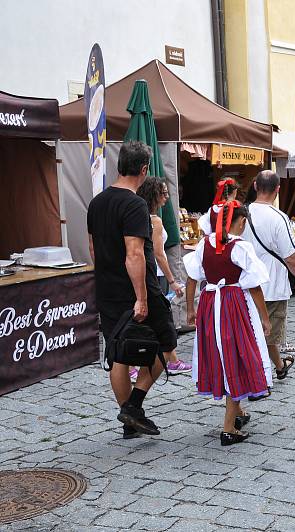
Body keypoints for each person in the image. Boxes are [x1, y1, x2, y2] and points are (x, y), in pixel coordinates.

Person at [87, 140, 177, 439]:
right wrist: (141, 297)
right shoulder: (135, 204)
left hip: (107, 289)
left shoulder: (97, 202)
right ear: (143, 169)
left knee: (118, 355)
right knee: (166, 347)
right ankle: (134, 407)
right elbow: (135, 253)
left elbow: (93, 249)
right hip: (136, 290)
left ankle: (129, 423)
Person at [184, 201, 272, 446]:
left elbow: (192, 277)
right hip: (233, 303)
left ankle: (239, 412)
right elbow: (254, 285)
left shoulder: (203, 244)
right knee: (237, 357)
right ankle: (228, 428)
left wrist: (190, 309)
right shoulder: (241, 247)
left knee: (221, 355)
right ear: (241, 222)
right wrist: (265, 318)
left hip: (210, 303)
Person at [243, 171, 295, 382]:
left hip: (246, 282)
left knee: (254, 331)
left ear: (255, 186)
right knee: (269, 334)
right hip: (271, 284)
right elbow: (291, 257)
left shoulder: (241, 213)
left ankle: (279, 366)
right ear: (277, 190)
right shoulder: (278, 217)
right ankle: (261, 374)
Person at [135, 177, 191, 376]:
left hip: (145, 272)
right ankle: (136, 363)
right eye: (164, 193)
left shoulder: (139, 216)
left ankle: (173, 360)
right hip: (156, 275)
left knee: (155, 319)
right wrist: (172, 280)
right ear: (155, 195)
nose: (167, 197)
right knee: (158, 319)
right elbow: (159, 254)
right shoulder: (155, 221)